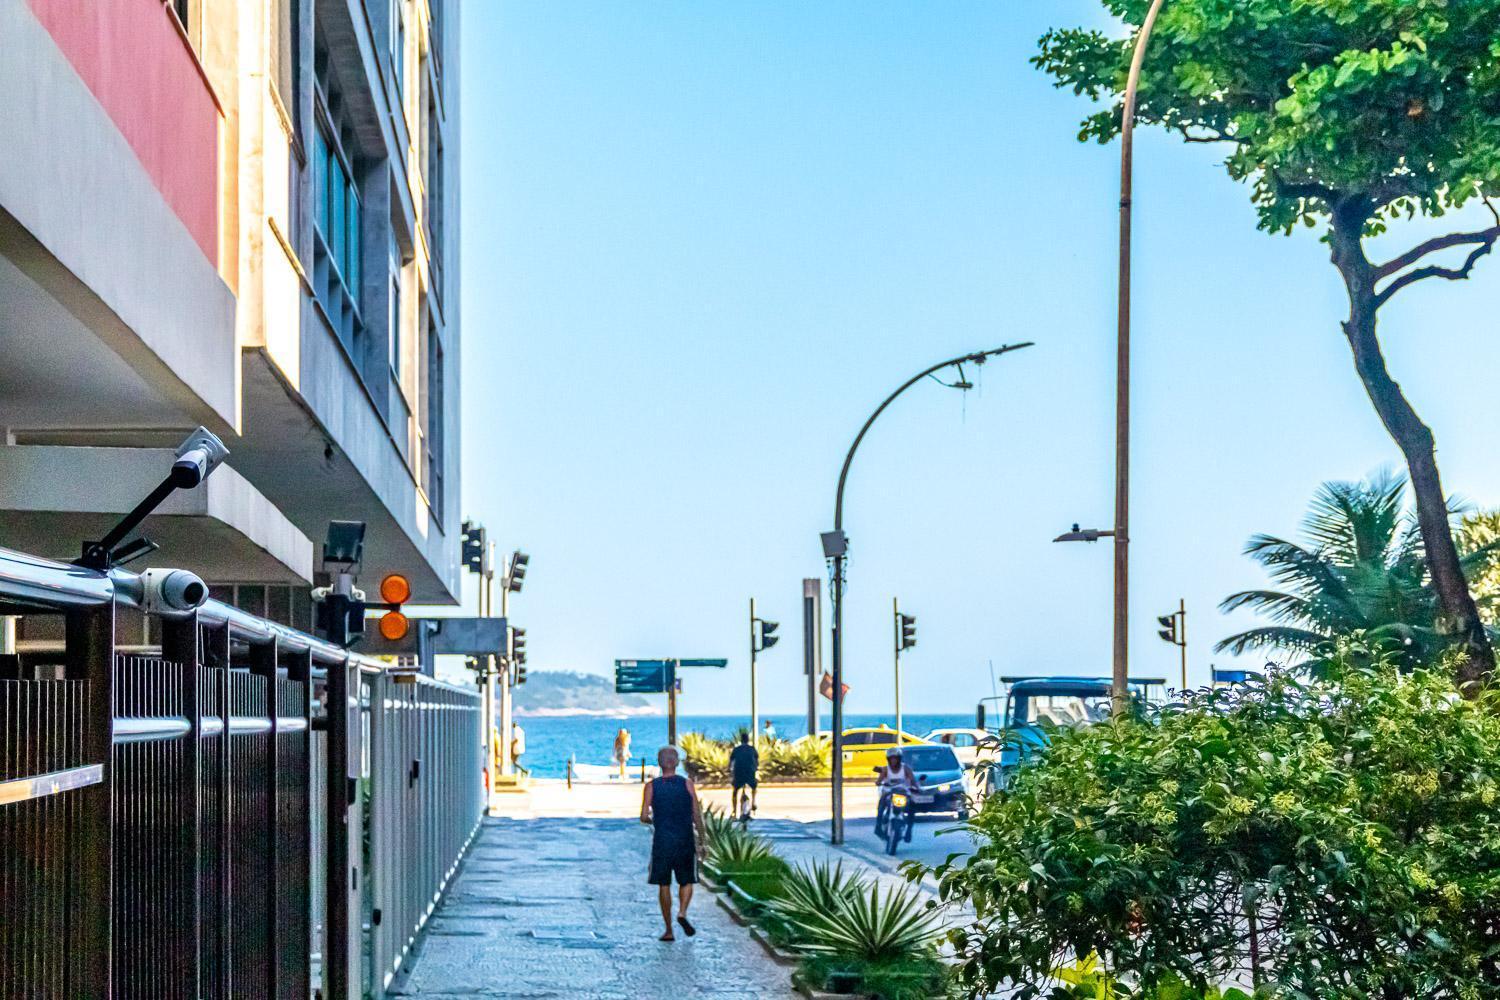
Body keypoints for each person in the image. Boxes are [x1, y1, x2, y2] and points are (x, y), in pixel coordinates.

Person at [640, 745, 707, 941]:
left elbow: (644, 816)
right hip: (684, 838)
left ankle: (668, 930)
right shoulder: (687, 784)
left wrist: (655, 819)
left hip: (662, 840)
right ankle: (682, 912)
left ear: (660, 764)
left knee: (663, 884)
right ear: (677, 763)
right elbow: (697, 814)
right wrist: (702, 839)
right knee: (686, 880)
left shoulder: (651, 786)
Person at [873, 747, 917, 842]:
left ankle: (909, 830)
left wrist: (916, 787)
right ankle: (878, 827)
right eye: (891, 759)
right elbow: (879, 780)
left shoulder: (905, 768)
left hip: (903, 792)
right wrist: (878, 782)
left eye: (895, 758)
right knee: (881, 804)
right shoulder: (885, 769)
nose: (893, 761)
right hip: (889, 792)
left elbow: (913, 780)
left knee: (912, 805)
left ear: (899, 759)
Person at [728, 731, 760, 819]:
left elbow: (731, 762)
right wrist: (756, 769)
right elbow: (757, 762)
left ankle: (734, 812)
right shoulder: (752, 749)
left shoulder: (736, 749)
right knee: (754, 787)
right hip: (750, 772)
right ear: (748, 740)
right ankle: (753, 802)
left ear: (741, 740)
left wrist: (729, 771)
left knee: (735, 792)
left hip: (739, 773)